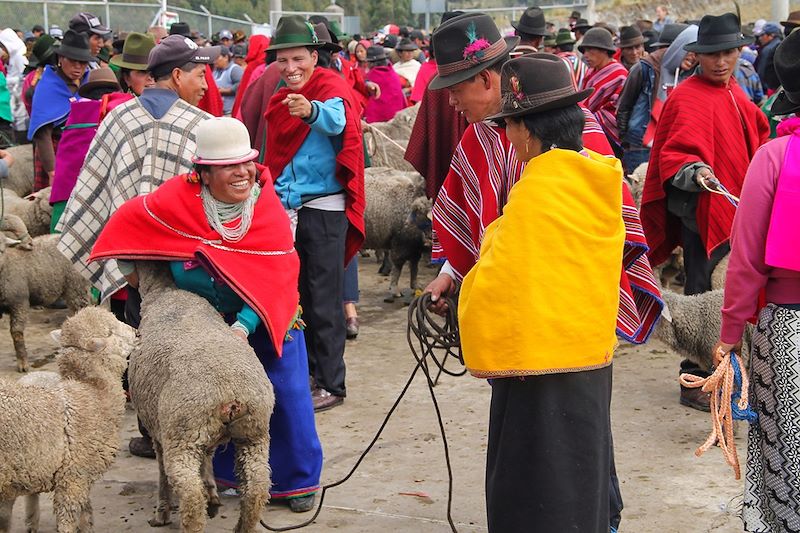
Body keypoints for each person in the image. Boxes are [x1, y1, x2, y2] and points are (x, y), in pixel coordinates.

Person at [425, 14, 662, 532]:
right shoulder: (480, 140)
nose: (450, 101)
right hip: (517, 314)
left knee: (575, 430)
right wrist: (452, 270)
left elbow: (602, 226)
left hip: (565, 311)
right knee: (537, 435)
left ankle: (601, 512)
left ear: (488, 81)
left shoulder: (575, 137)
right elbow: (485, 226)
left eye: (456, 87)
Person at [89, 116, 323, 512]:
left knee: (284, 393)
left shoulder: (266, 211)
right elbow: (127, 225)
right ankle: (228, 477)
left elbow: (278, 280)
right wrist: (136, 276)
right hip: (203, 327)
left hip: (265, 318)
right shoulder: (176, 203)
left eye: (247, 162)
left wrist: (242, 328)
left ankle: (296, 482)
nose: (243, 172)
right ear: (203, 173)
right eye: (229, 166)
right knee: (209, 402)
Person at [459, 53, 626, 533]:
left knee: (537, 489)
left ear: (526, 131)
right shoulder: (598, 180)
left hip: (538, 374)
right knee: (583, 476)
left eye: (509, 126)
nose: (508, 138)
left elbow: (494, 287)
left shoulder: (539, 194)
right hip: (590, 361)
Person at [56, 35, 219, 456]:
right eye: (201, 75)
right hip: (183, 262)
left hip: (129, 264)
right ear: (178, 75)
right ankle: (186, 432)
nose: (206, 84)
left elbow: (94, 187)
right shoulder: (200, 126)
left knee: (137, 341)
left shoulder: (118, 118)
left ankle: (151, 433)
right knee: (184, 342)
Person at [640, 13, 770, 410]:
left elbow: (757, 137)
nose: (720, 61)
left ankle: (729, 375)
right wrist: (695, 171)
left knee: (734, 297)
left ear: (739, 52)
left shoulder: (737, 94)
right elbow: (671, 154)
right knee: (701, 298)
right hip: (698, 215)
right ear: (697, 56)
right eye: (712, 54)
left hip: (736, 213)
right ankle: (694, 381)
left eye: (728, 52)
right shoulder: (686, 96)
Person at [713, 31, 800, 533]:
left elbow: (746, 258)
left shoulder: (775, 156)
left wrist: (730, 332)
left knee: (786, 449)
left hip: (787, 330)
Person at [264, 16, 365, 412]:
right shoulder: (279, 96)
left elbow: (338, 119)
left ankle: (331, 384)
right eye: (283, 60)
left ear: (314, 56)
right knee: (298, 298)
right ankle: (308, 374)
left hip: (324, 210)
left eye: (298, 59)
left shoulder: (329, 88)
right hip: (289, 210)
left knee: (324, 300)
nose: (291, 68)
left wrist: (310, 112)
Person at [616, 23, 690, 174]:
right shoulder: (644, 68)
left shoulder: (687, 70)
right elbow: (624, 107)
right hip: (641, 145)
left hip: (672, 143)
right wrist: (628, 141)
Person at [27, 29, 89, 191]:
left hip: (83, 152)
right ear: (61, 58)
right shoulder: (47, 87)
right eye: (73, 60)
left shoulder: (88, 83)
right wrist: (53, 171)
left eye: (82, 62)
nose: (78, 66)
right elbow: (42, 134)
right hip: (55, 152)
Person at [579, 27, 628, 154]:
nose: (585, 55)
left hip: (607, 135)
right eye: (584, 50)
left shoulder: (619, 74)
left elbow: (616, 108)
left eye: (590, 50)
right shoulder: (590, 72)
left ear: (604, 51)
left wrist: (590, 121)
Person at [364, 45, 406, 123]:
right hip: (398, 116)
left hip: (381, 119)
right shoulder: (391, 71)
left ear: (371, 63)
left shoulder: (373, 75)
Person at [212, 45, 243, 115]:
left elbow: (241, 85)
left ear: (226, 57)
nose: (214, 61)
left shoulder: (234, 69)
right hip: (219, 113)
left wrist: (226, 91)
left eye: (217, 58)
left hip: (230, 113)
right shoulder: (215, 71)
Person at [754, 22, 782, 92]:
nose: (760, 38)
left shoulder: (768, 49)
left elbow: (761, 71)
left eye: (763, 35)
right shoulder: (781, 45)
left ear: (771, 36)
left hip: (769, 89)